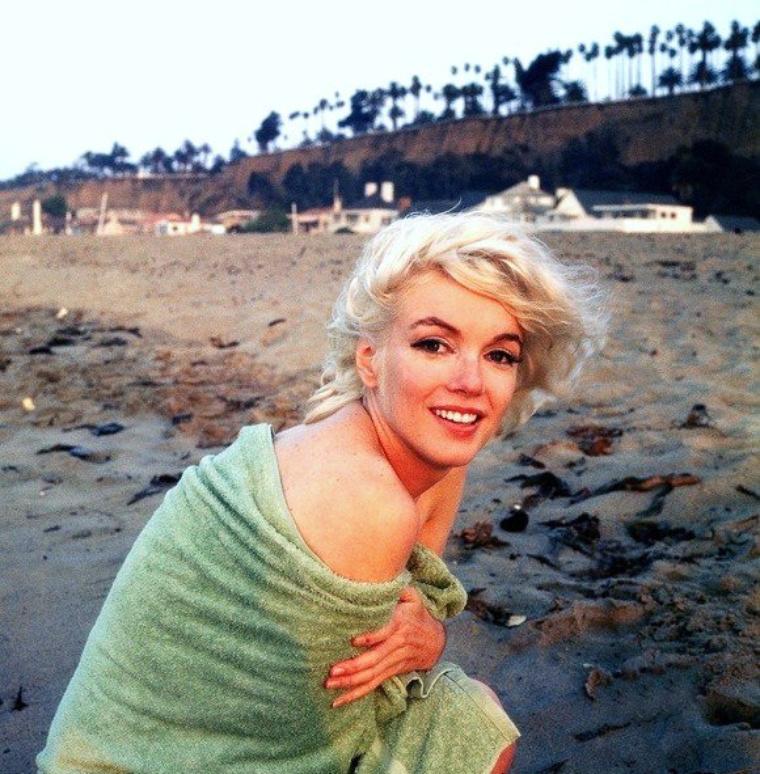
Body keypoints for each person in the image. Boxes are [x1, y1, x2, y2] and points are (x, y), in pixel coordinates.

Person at [37, 212, 605, 773]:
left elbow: (403, 633)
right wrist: (427, 645)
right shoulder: (364, 498)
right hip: (121, 764)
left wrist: (426, 637)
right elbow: (326, 736)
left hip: (148, 743)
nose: (470, 381)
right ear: (370, 359)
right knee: (476, 727)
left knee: (462, 717)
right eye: (434, 344)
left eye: (499, 354)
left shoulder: (429, 458)